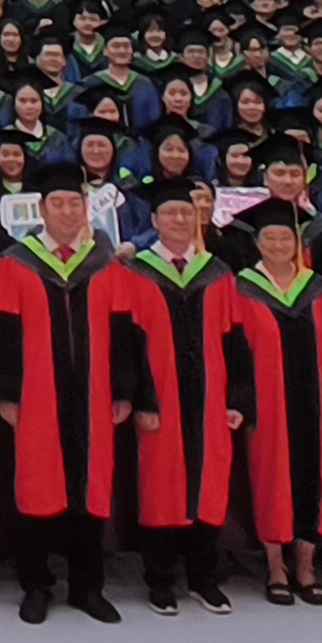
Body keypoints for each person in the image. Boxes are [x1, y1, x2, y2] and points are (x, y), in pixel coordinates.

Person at [0, 158, 132, 625]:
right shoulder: (15, 264)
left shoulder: (105, 264)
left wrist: (123, 390)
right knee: (37, 486)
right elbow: (4, 334)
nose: (67, 212)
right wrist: (7, 393)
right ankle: (36, 585)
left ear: (86, 209)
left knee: (91, 487)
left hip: (94, 392)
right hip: (37, 394)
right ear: (41, 211)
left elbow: (122, 331)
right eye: (57, 204)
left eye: (74, 204)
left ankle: (88, 587)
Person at [108, 186, 248, 616]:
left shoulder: (218, 273)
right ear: (154, 222)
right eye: (169, 213)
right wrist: (138, 400)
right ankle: (160, 580)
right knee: (161, 488)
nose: (179, 220)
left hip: (210, 398)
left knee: (209, 484)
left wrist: (236, 399)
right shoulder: (136, 273)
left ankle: (204, 579)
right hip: (159, 398)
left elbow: (234, 340)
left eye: (186, 213)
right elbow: (126, 343)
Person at [231, 203, 322, 605]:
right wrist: (242, 401)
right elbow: (235, 351)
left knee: (314, 478)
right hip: (267, 403)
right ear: (257, 243)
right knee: (270, 478)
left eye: (285, 237)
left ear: (297, 242)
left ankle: (306, 565)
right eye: (270, 237)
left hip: (315, 402)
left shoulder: (318, 287)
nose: (278, 244)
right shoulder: (243, 288)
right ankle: (276, 565)